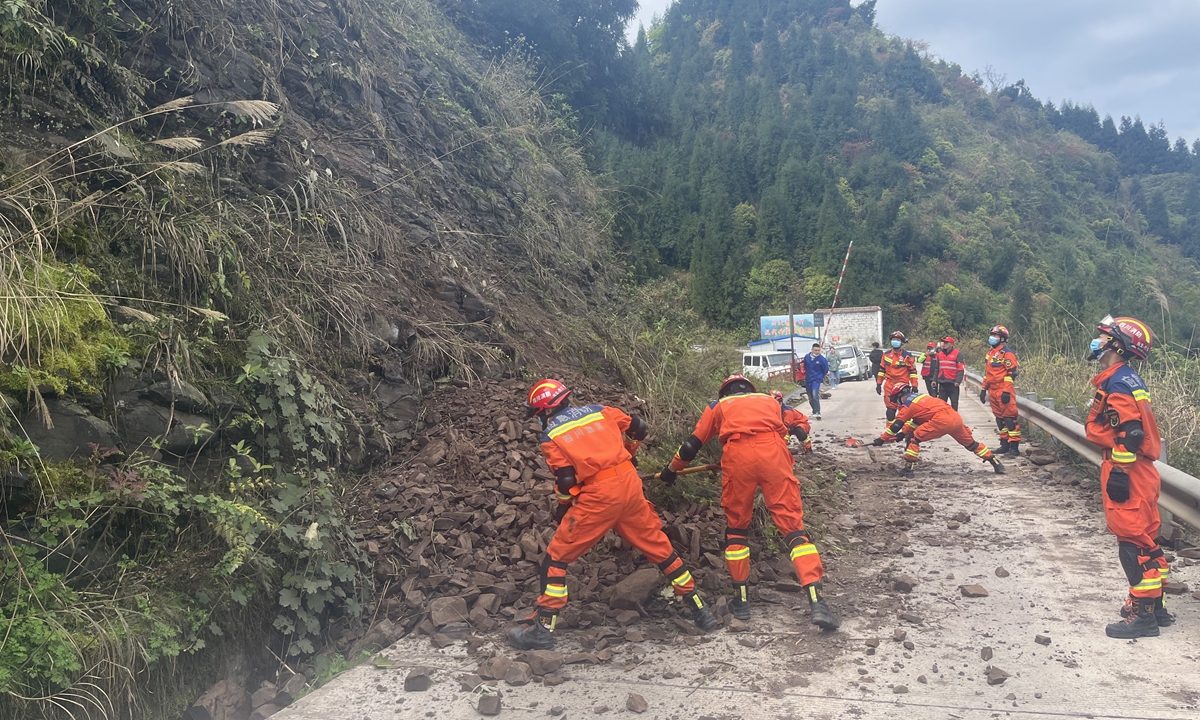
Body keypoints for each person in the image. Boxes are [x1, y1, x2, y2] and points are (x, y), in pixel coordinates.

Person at [509, 379, 718, 650]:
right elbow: (639, 427)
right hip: (630, 486)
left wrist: (563, 507)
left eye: (537, 415)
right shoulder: (599, 410)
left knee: (556, 560)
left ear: (546, 411)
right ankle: (700, 610)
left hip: (599, 496)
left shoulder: (551, 435)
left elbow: (565, 480)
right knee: (661, 550)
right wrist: (629, 453)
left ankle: (542, 630)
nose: (538, 420)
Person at [661, 375, 839, 630]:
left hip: (738, 458)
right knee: (794, 530)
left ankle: (741, 602)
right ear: (750, 390)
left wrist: (672, 469)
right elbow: (800, 425)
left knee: (736, 531)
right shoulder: (770, 401)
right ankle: (817, 601)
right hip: (774, 456)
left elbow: (692, 445)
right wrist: (797, 434)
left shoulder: (719, 406)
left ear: (725, 392)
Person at [1084, 316, 1173, 638]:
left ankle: (1144, 617)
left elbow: (1130, 433)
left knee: (1132, 545)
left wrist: (1119, 472)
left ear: (1117, 345)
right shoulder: (1128, 379)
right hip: (1142, 472)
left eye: (1104, 336)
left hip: (1129, 470)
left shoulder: (1118, 382)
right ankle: (1157, 607)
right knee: (1147, 541)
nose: (1098, 340)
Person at [872, 386, 1005, 477]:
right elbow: (917, 421)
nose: (898, 404)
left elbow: (895, 426)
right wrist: (903, 433)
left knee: (915, 439)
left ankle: (908, 469)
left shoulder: (908, 404)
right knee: (971, 444)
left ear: (901, 395)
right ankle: (996, 463)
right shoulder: (922, 397)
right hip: (955, 418)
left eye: (897, 400)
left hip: (941, 421)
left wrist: (882, 439)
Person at [980, 326, 1021, 456]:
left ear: (1002, 338)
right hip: (992, 390)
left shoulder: (1007, 353)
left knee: (1009, 419)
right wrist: (983, 389)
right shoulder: (990, 353)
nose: (992, 337)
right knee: (999, 419)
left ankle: (1014, 447)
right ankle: (1004, 444)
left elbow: (1011, 373)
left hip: (1003, 389)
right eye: (992, 334)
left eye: (995, 335)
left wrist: (1006, 391)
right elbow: (988, 373)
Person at [876, 331, 919, 423]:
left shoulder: (907, 356)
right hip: (889, 385)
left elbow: (913, 372)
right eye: (893, 339)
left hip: (903, 386)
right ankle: (890, 434)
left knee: (905, 410)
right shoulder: (886, 355)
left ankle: (906, 433)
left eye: (897, 340)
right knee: (890, 410)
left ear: (902, 342)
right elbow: (881, 370)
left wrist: (914, 385)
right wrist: (879, 383)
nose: (895, 341)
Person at [933, 336, 965, 410]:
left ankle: (954, 420)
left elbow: (961, 369)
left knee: (954, 404)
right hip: (942, 383)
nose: (944, 344)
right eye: (944, 342)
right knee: (941, 405)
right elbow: (937, 368)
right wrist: (934, 380)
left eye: (946, 342)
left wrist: (958, 381)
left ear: (951, 344)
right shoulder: (940, 354)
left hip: (953, 383)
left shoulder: (958, 354)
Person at [802, 344, 829, 419]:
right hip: (808, 379)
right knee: (810, 397)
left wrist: (820, 376)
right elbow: (805, 366)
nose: (817, 352)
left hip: (816, 380)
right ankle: (814, 411)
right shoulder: (807, 357)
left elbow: (825, 369)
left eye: (818, 350)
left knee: (815, 394)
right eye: (815, 350)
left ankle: (818, 412)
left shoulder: (822, 359)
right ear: (812, 350)